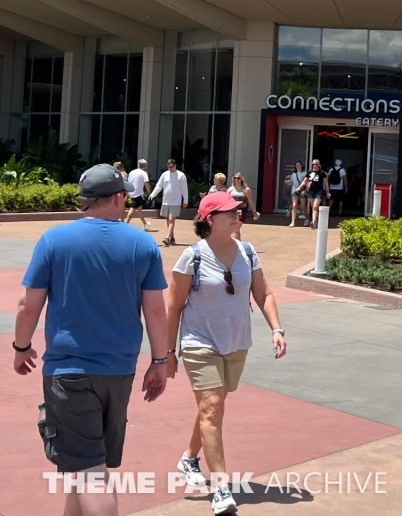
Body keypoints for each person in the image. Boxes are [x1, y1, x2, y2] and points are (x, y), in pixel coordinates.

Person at [13, 164, 168, 516]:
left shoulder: (54, 240)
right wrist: (159, 362)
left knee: (88, 471)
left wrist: (21, 348)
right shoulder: (142, 244)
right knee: (83, 465)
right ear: (117, 197)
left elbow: (27, 306)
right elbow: (156, 311)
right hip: (119, 371)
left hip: (69, 371)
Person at [166, 191, 286, 515]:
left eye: (238, 210)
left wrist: (277, 328)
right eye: (229, 211)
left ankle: (189, 457)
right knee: (212, 406)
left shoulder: (247, 252)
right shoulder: (191, 257)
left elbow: (264, 294)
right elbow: (174, 307)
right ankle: (221, 488)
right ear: (209, 219)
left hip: (236, 342)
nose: (237, 214)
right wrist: (167, 352)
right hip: (198, 342)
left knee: (213, 406)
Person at [151, 159, 189, 246]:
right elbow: (159, 186)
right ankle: (172, 238)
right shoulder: (164, 175)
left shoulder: (181, 175)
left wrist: (185, 200)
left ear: (175, 165)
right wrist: (153, 194)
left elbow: (184, 189)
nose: (170, 168)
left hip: (176, 202)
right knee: (168, 221)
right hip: (166, 201)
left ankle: (167, 237)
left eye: (171, 166)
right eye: (168, 167)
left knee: (171, 220)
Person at [227, 173, 260, 241]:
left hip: (242, 211)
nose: (236, 179)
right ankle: (237, 245)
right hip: (232, 211)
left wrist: (255, 212)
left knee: (236, 229)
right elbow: (226, 200)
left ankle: (238, 247)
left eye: (238, 178)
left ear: (241, 179)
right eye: (235, 178)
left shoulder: (246, 189)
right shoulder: (230, 189)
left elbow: (250, 201)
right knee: (234, 230)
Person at [125, 158, 153, 231]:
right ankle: (125, 224)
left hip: (131, 192)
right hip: (137, 193)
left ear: (138, 165)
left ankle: (145, 223)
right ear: (145, 166)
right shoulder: (143, 173)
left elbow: (129, 182)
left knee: (139, 209)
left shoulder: (131, 172)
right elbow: (147, 183)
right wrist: (150, 193)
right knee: (132, 210)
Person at [302, 159, 329, 230]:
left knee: (315, 206)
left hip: (319, 191)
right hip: (311, 191)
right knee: (313, 207)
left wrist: (327, 192)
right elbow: (305, 181)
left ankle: (313, 222)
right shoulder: (309, 172)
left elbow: (326, 183)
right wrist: (299, 188)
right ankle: (315, 221)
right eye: (313, 164)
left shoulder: (322, 173)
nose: (314, 166)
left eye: (316, 164)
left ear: (319, 165)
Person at [285, 162, 308, 227]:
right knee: (294, 205)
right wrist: (288, 182)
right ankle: (293, 221)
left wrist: (305, 190)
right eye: (296, 165)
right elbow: (292, 183)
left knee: (303, 206)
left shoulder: (305, 173)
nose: (297, 166)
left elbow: (307, 183)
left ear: (301, 166)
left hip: (302, 190)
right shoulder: (293, 174)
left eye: (299, 165)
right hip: (294, 190)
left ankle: (306, 218)